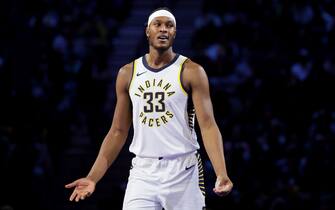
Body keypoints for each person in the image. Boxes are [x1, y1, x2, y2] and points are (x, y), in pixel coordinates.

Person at [65, 7, 233, 210]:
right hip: (143, 171)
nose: (163, 29)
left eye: (169, 26)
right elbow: (118, 131)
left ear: (175, 33)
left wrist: (221, 172)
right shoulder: (127, 73)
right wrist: (92, 177)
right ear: (147, 31)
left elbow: (208, 126)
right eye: (158, 24)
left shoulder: (192, 71)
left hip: (183, 169)